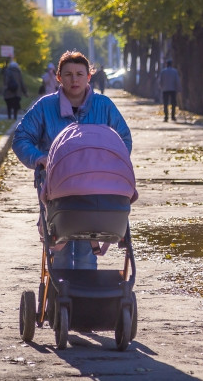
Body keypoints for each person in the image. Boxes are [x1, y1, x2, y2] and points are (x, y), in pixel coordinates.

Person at [12, 50, 132, 270]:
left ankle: (85, 298)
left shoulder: (104, 106)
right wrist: (39, 158)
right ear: (58, 77)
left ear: (89, 76)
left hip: (99, 186)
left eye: (79, 73)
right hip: (58, 187)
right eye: (68, 74)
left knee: (87, 251)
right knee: (61, 250)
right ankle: (61, 298)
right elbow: (21, 138)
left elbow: (123, 140)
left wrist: (110, 164)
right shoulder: (45, 107)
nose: (74, 79)